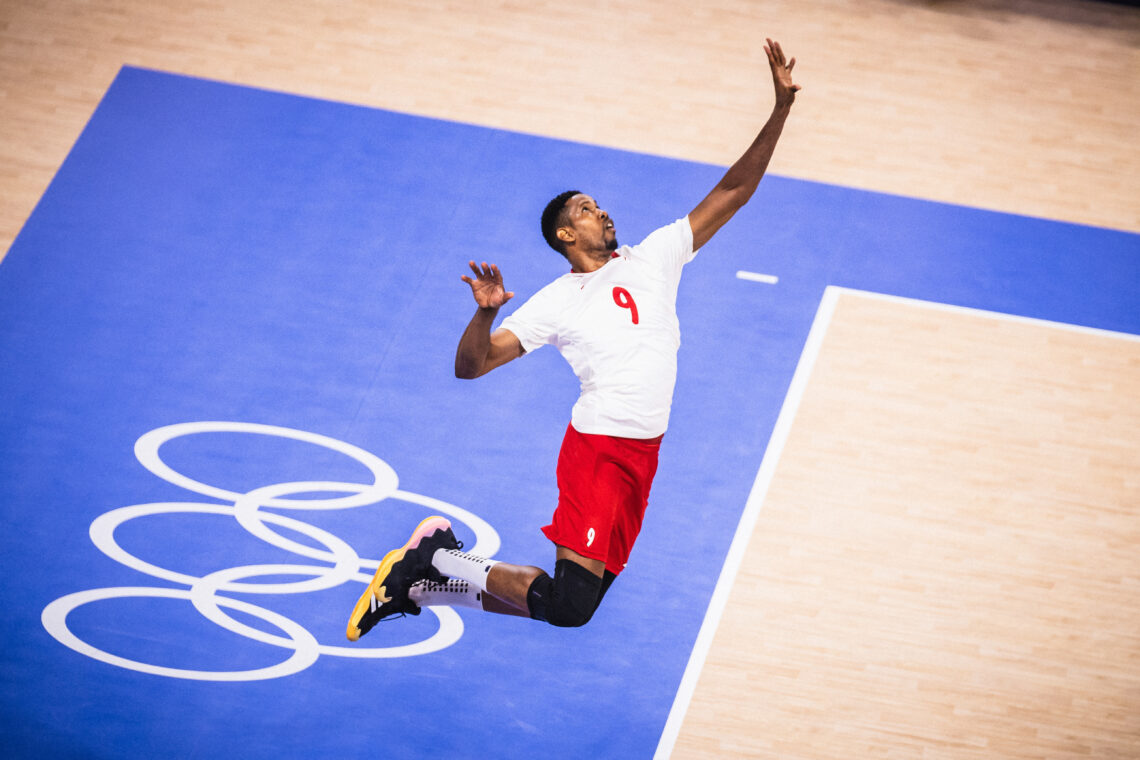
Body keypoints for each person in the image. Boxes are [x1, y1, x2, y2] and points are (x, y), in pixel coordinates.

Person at [347, 38, 800, 641]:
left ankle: (426, 577)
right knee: (571, 601)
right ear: (566, 233)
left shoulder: (654, 257)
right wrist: (483, 316)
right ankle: (434, 563)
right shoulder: (559, 300)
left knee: (574, 605)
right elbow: (472, 367)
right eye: (588, 210)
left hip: (644, 452)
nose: (602, 213)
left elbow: (733, 192)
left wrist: (780, 109)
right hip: (601, 449)